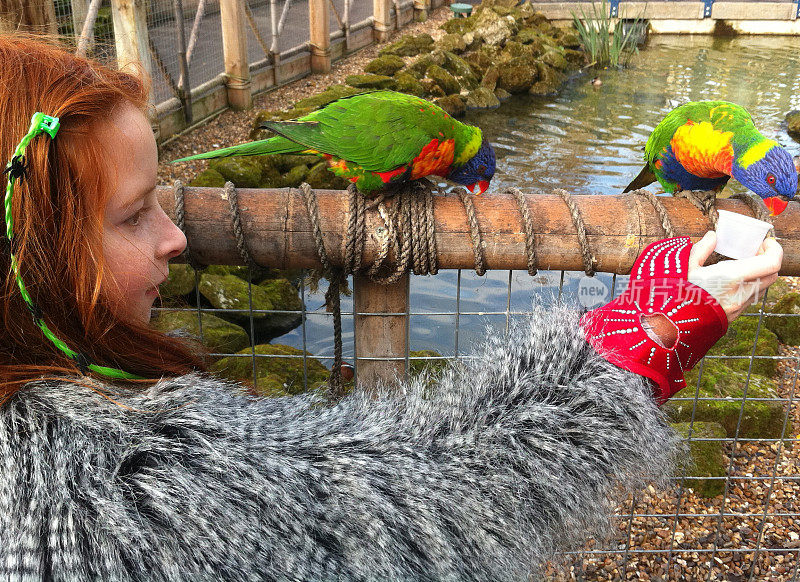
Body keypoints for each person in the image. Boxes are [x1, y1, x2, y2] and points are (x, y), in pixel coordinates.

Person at [0, 35, 784, 581]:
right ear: (24, 251)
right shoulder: (114, 500)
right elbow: (427, 500)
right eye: (135, 214)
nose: (177, 237)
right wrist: (641, 337)